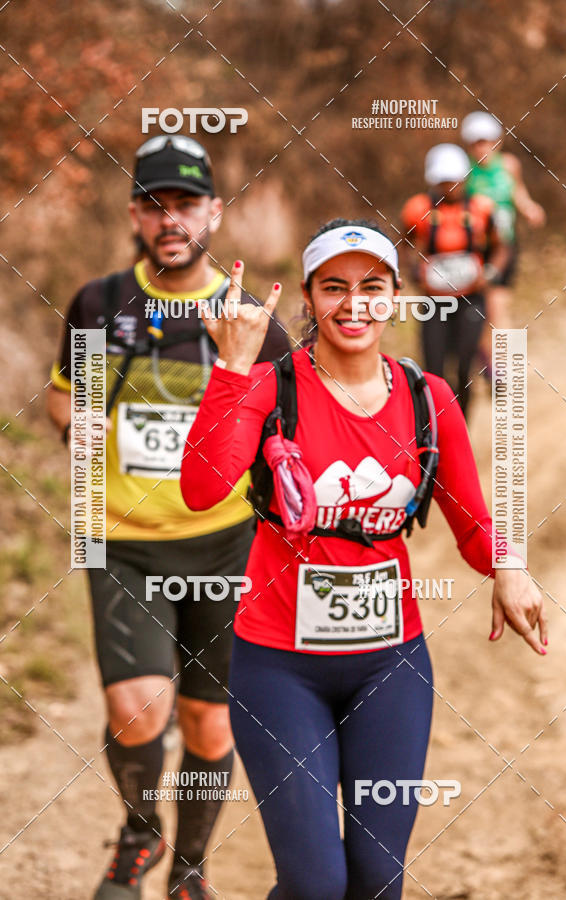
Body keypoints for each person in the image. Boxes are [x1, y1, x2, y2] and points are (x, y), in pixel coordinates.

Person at [180, 219, 547, 899]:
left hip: (391, 665)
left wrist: (508, 565)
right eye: (334, 288)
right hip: (278, 670)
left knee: (378, 879)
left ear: (397, 296)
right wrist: (230, 367)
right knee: (317, 882)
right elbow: (201, 491)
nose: (354, 304)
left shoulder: (426, 397)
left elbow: (471, 522)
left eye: (372, 287)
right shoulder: (271, 389)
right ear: (310, 297)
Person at [47, 134, 289, 900]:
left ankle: (190, 869)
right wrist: (69, 423)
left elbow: (285, 443)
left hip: (224, 547)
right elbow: (64, 390)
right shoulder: (98, 302)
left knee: (209, 725)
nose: (171, 217)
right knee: (137, 708)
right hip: (118, 540)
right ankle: (139, 833)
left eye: (186, 203)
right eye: (155, 204)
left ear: (214, 212)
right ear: (134, 215)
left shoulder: (253, 322)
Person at [401, 143, 509, 419]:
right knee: (432, 369)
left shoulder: (482, 209)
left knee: (464, 365)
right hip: (434, 301)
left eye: (454, 180)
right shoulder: (417, 209)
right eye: (443, 181)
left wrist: (490, 273)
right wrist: (414, 273)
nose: (449, 187)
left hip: (471, 298)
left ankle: (460, 426)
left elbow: (501, 247)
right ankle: (432, 429)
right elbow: (404, 245)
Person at [461, 111, 546, 366]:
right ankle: (492, 362)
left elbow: (518, 192)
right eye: (477, 142)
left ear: (497, 141)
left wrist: (530, 208)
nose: (482, 147)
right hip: (477, 249)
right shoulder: (465, 172)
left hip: (505, 246)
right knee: (483, 310)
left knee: (498, 307)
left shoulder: (509, 165)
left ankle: (504, 366)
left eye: (487, 140)